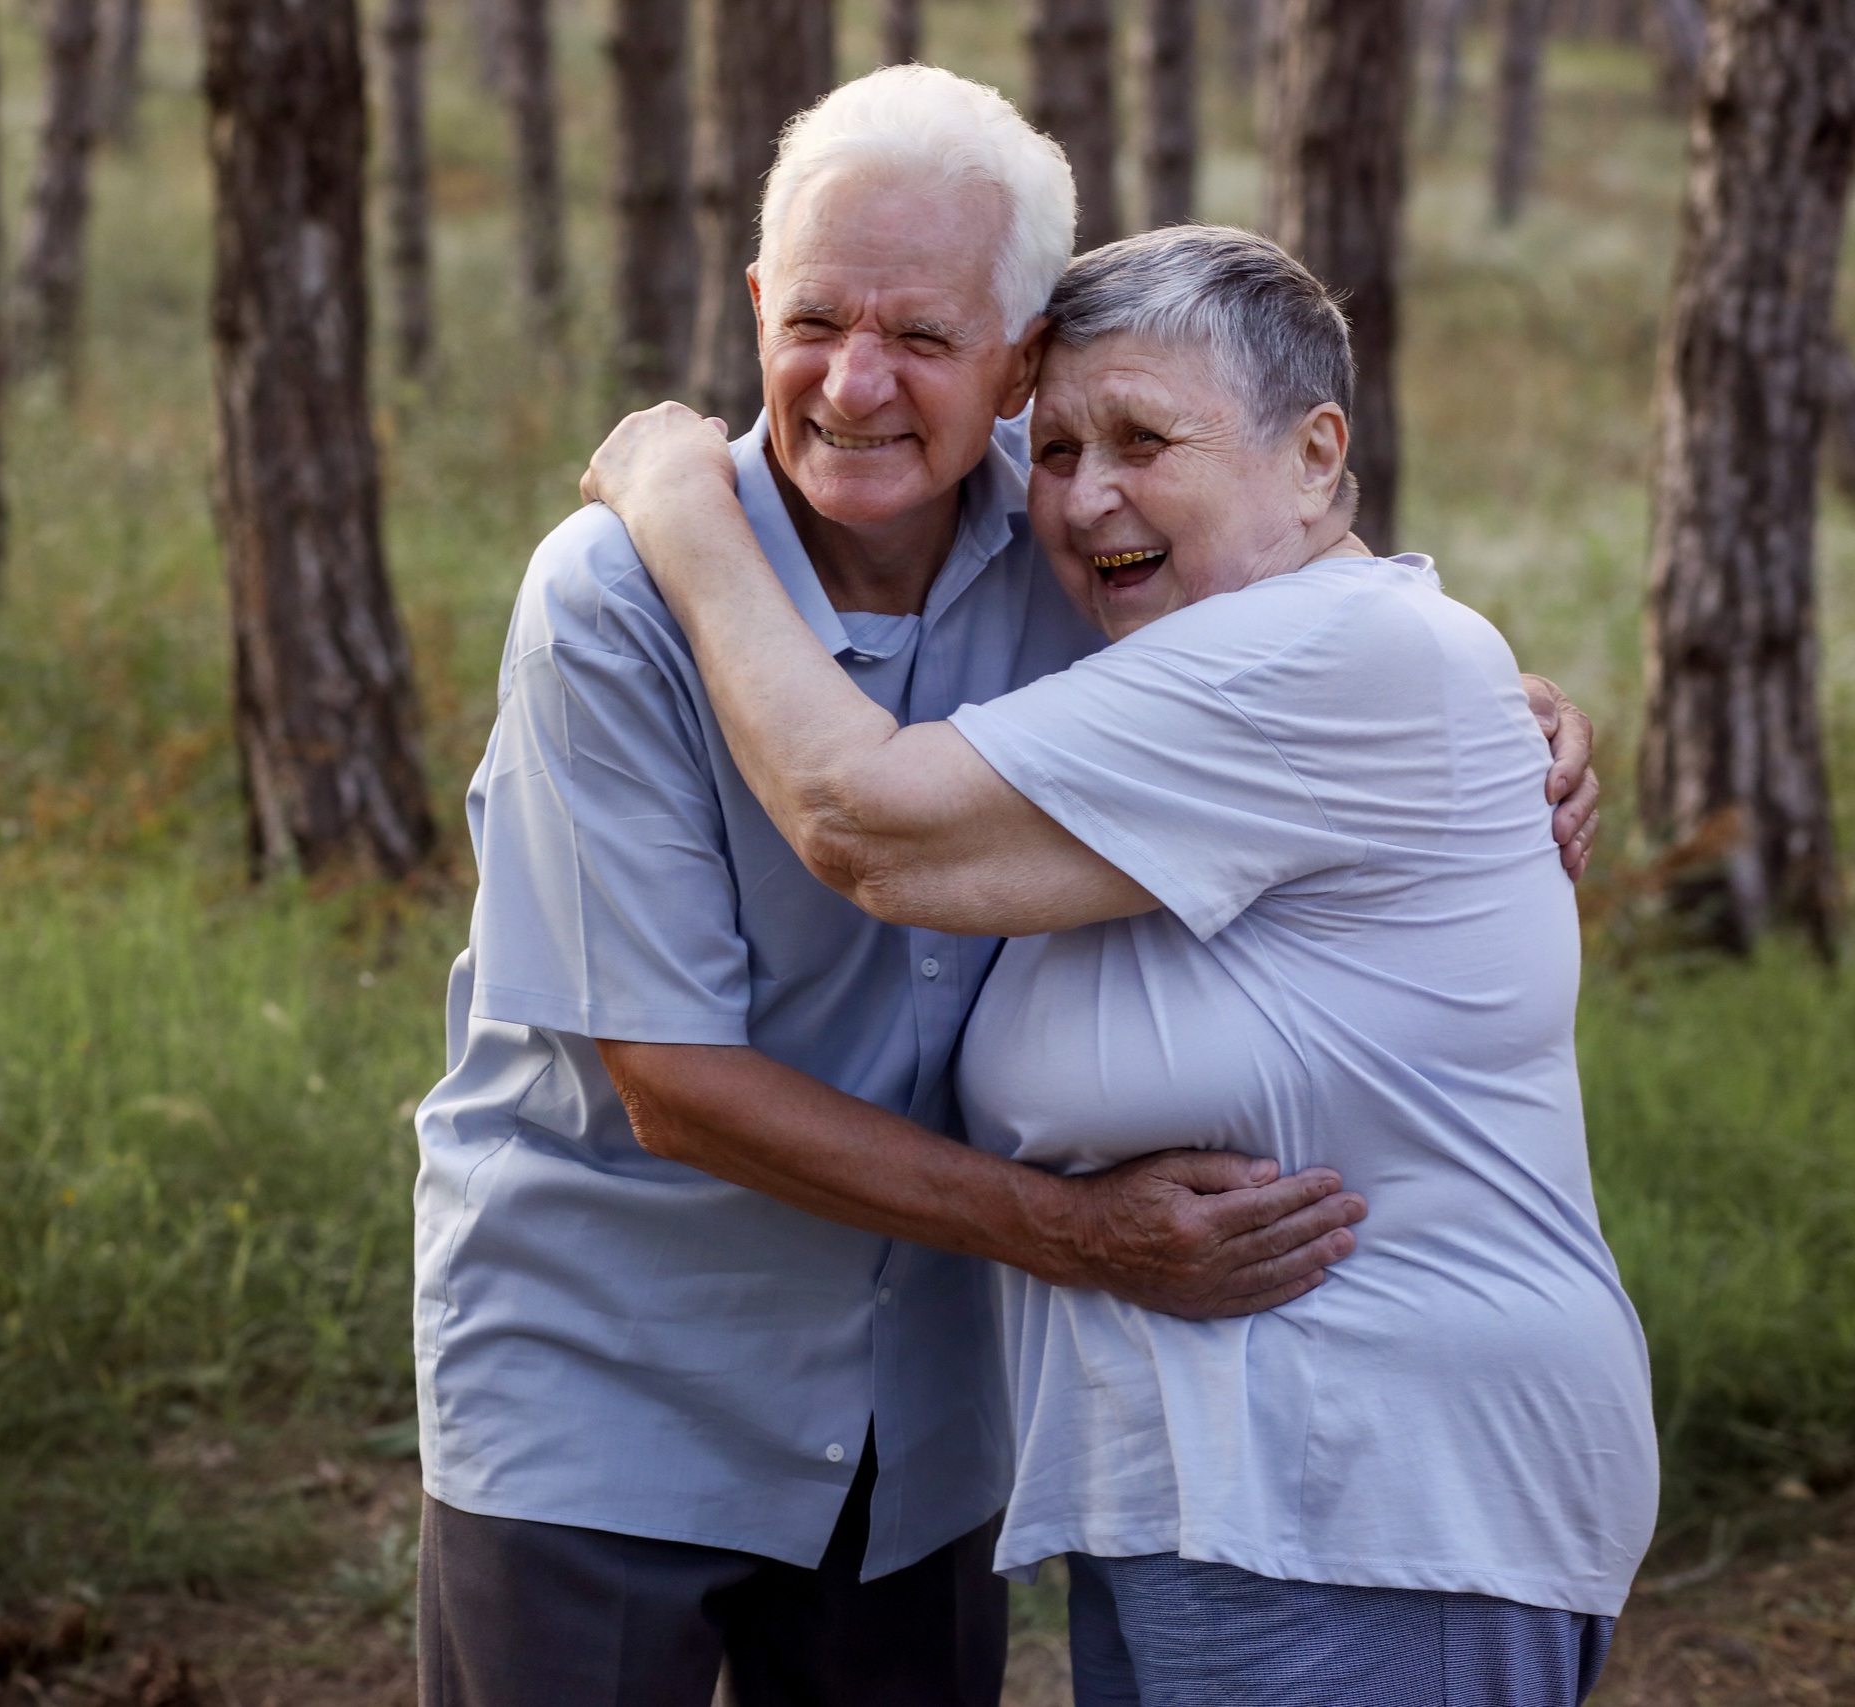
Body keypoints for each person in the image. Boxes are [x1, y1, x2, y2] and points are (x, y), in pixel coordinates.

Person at [413, 65, 1598, 1706]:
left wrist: (1507, 716)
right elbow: (672, 1086)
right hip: (619, 1384)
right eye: (815, 319)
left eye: (923, 336)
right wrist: (1073, 1233)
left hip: (929, 1413)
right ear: (754, 301)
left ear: (1018, 355)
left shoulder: (1081, 558)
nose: (853, 382)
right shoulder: (619, 588)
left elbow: (1305, 623)